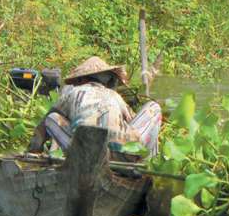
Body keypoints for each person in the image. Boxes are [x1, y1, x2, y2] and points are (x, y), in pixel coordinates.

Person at [27, 56, 161, 158]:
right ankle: (150, 161)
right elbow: (132, 121)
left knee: (51, 118)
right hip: (125, 155)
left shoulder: (71, 93)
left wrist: (34, 151)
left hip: (86, 156)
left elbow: (43, 127)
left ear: (81, 80)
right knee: (153, 107)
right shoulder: (114, 96)